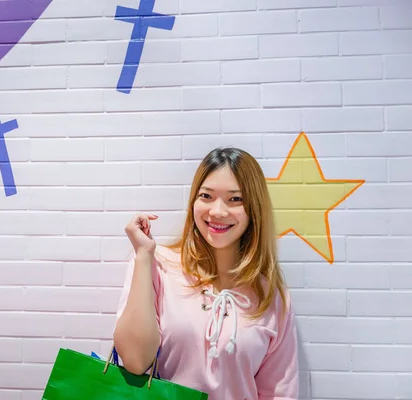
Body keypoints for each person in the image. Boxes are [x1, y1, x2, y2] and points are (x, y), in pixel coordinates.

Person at [112, 147, 299, 399]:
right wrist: (144, 256)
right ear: (193, 202)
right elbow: (134, 361)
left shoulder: (270, 296)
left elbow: (279, 392)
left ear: (254, 209)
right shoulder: (158, 265)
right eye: (206, 196)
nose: (218, 211)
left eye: (235, 199)